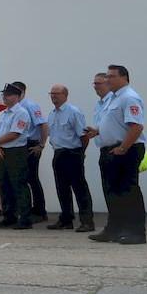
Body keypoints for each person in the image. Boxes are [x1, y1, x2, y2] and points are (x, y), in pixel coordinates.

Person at [85, 65, 147, 245]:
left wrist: (123, 148)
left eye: (111, 76)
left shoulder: (129, 97)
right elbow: (115, 123)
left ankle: (136, 232)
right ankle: (113, 229)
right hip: (110, 149)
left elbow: (136, 127)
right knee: (112, 192)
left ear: (124, 78)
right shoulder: (112, 98)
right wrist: (97, 131)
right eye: (106, 77)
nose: (107, 80)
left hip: (126, 150)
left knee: (129, 191)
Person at [46, 84, 92, 232]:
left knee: (79, 189)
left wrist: (80, 153)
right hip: (58, 153)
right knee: (62, 189)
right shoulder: (52, 114)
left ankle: (87, 221)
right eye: (51, 94)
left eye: (57, 94)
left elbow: (84, 136)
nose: (54, 96)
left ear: (65, 95)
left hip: (72, 153)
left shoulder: (73, 112)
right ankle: (66, 219)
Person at [0, 83, 34, 230]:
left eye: (8, 95)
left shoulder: (21, 113)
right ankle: (9, 216)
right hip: (1, 151)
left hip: (16, 151)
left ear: (16, 96)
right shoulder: (2, 114)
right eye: (4, 95)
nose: (5, 98)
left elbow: (15, 133)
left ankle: (25, 218)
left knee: (19, 184)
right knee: (4, 184)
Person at [12, 81, 51, 222]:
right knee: (24, 178)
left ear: (22, 92)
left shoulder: (30, 105)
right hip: (20, 145)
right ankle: (28, 209)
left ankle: (40, 210)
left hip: (31, 144)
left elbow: (43, 125)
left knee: (32, 178)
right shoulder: (16, 108)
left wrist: (41, 145)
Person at [83, 72, 114, 232]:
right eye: (94, 83)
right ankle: (113, 225)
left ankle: (119, 225)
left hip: (116, 148)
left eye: (99, 83)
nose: (95, 86)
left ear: (108, 84)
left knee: (117, 190)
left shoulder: (113, 102)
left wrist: (98, 130)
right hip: (104, 149)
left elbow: (113, 126)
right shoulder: (99, 104)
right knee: (108, 189)